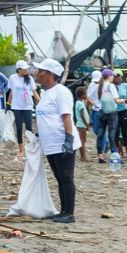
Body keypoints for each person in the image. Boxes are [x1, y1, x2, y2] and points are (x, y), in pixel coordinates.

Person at [31, 58, 80, 223]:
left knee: (66, 177)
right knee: (59, 178)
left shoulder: (61, 92)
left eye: (40, 71)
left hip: (62, 141)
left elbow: (66, 117)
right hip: (50, 143)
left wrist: (69, 140)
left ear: (50, 74)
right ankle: (63, 210)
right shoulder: (46, 92)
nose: (37, 74)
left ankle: (70, 213)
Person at [7, 60, 39, 158]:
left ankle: (31, 148)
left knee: (29, 128)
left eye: (27, 68)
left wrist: (41, 103)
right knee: (19, 128)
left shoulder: (30, 79)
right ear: (18, 69)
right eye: (24, 69)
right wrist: (8, 103)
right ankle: (21, 150)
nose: (26, 70)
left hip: (27, 105)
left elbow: (34, 92)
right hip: (16, 106)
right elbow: (11, 91)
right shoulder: (12, 78)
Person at [94, 69, 122, 164]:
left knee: (100, 134)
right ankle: (114, 155)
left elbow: (91, 97)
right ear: (109, 76)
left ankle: (100, 157)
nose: (113, 77)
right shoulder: (111, 86)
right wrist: (124, 101)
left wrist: (96, 105)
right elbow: (117, 100)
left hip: (101, 111)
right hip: (111, 112)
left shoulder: (99, 86)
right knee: (112, 135)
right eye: (112, 75)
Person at [113, 71, 127, 161]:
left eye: (118, 76)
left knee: (124, 132)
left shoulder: (125, 86)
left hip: (123, 110)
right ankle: (117, 154)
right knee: (116, 133)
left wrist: (122, 100)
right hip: (114, 111)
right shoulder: (111, 86)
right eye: (115, 76)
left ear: (121, 77)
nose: (116, 78)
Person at [85, 70, 104, 153]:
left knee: (101, 130)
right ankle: (106, 142)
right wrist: (86, 107)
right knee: (96, 130)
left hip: (103, 110)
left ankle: (101, 150)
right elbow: (89, 97)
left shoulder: (105, 85)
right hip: (95, 109)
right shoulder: (92, 85)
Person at [74, 86, 90, 162]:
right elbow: (82, 115)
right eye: (86, 93)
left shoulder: (79, 103)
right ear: (82, 95)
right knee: (82, 141)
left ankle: (83, 156)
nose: (87, 94)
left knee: (82, 140)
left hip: (81, 124)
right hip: (82, 124)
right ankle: (83, 156)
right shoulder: (80, 104)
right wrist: (87, 125)